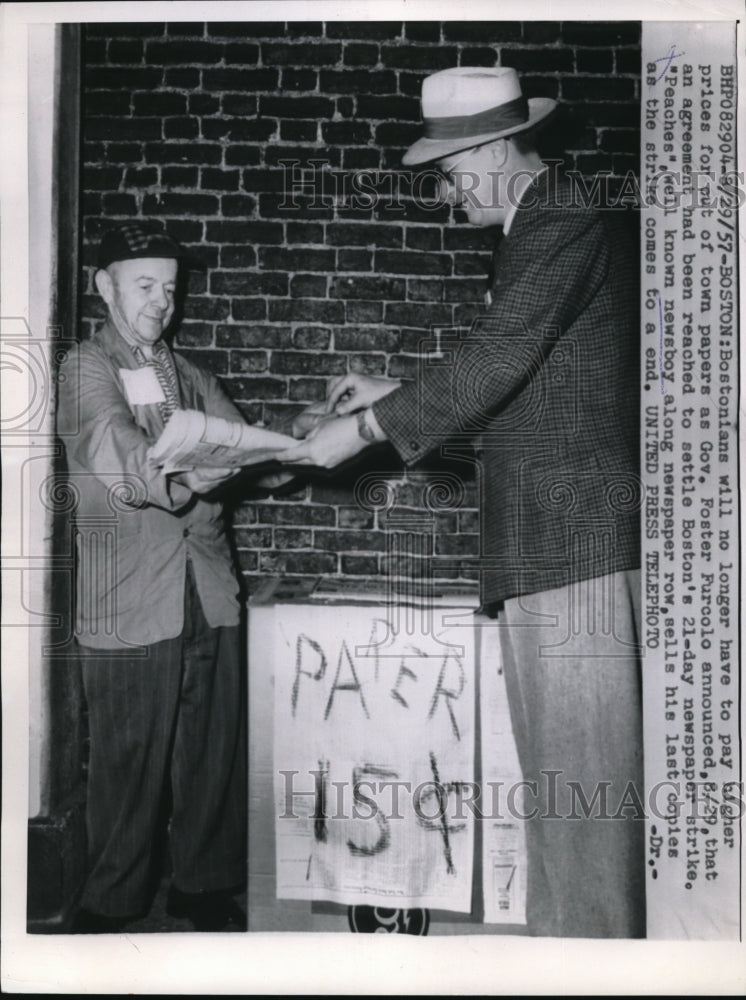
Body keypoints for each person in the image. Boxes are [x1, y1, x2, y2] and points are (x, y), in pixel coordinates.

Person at [281, 67, 644, 938]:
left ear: (486, 151)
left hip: (571, 544)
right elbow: (529, 386)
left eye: (446, 173)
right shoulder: (544, 219)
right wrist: (395, 387)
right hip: (553, 542)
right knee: (565, 798)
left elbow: (494, 361)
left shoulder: (559, 212)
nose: (445, 195)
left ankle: (593, 970)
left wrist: (365, 426)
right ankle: (573, 962)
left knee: (584, 806)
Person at [57, 222, 249, 932]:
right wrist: (190, 473)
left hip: (207, 586)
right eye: (145, 285)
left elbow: (244, 446)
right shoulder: (85, 368)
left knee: (210, 750)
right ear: (103, 286)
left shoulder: (192, 376)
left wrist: (304, 436)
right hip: (130, 593)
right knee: (129, 756)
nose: (162, 301)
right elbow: (115, 448)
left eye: (170, 288)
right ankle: (111, 900)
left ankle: (203, 883)